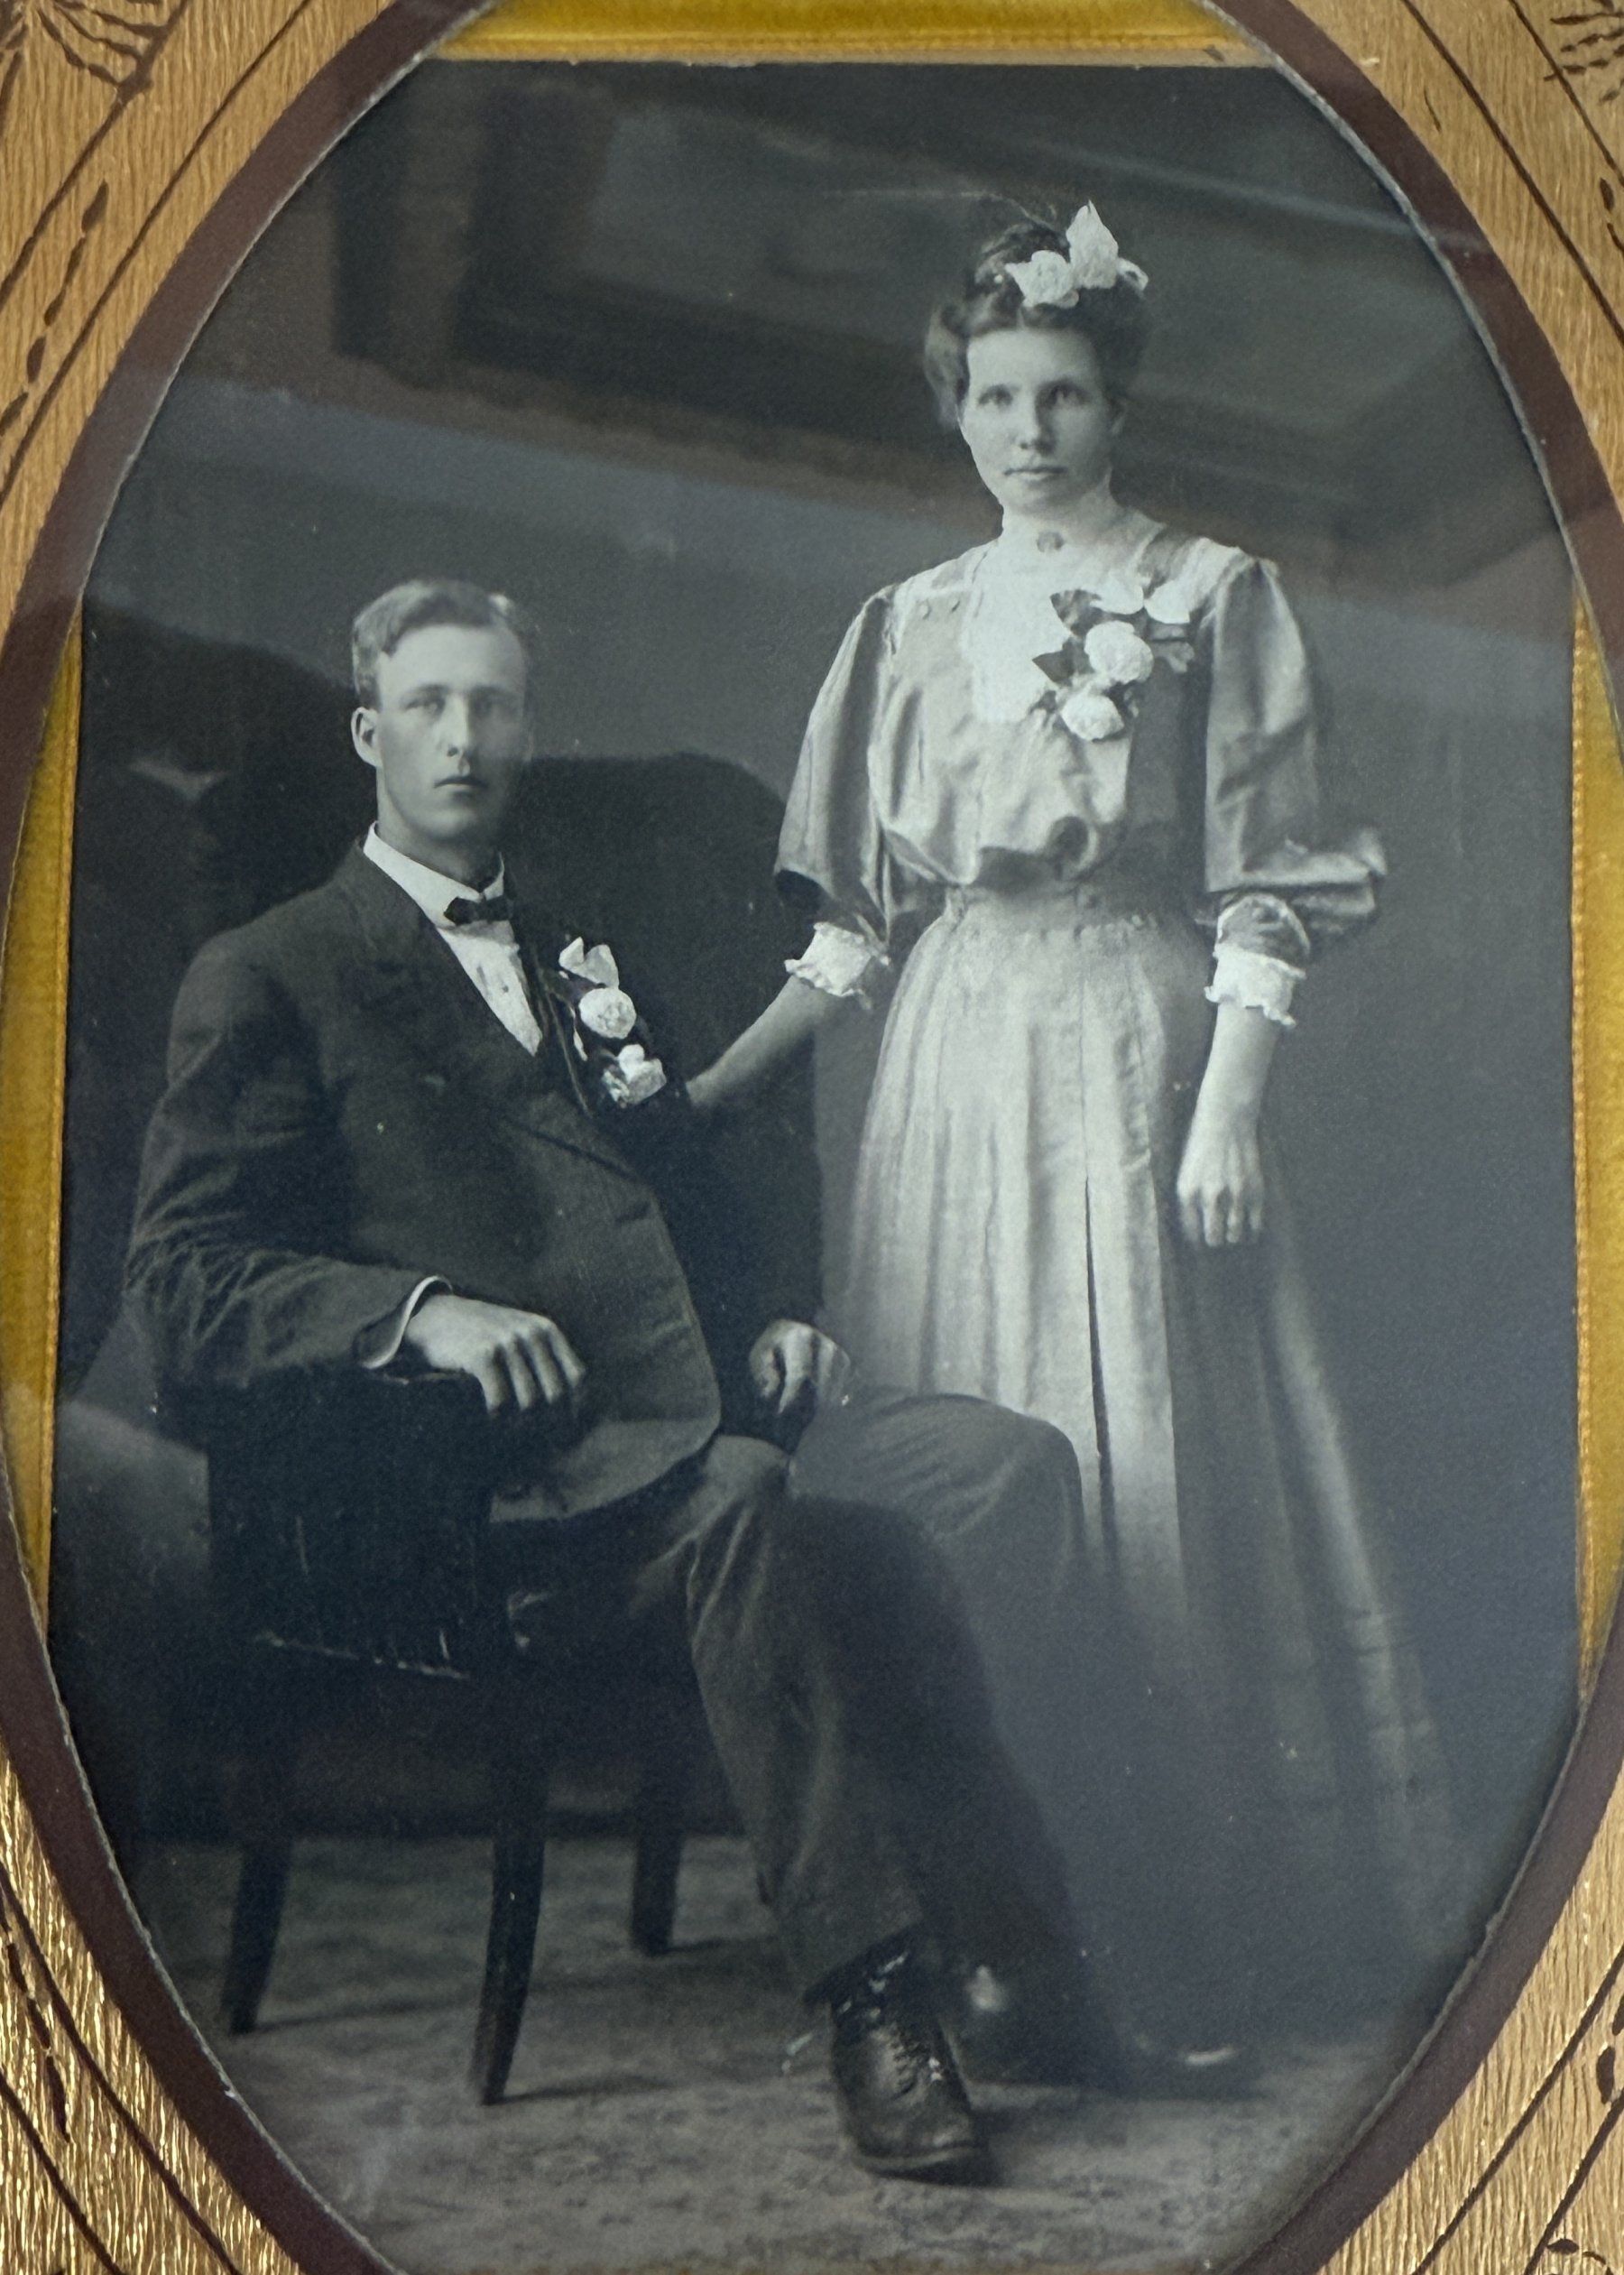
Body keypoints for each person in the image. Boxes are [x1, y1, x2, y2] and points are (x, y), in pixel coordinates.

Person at [125, 577, 1093, 2181]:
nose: (463, 736)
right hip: (497, 1480)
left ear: (526, 731)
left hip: (699, 1400)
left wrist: (776, 1309)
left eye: (492, 705)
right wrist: (418, 1312)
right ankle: (877, 1999)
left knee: (1006, 1465)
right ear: (369, 734)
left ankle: (1020, 1942)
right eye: (428, 705)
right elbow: (183, 1280)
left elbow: (674, 1182)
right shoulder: (274, 969)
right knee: (749, 1501)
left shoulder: (581, 946)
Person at [688, 208, 1463, 2076]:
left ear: (1119, 406)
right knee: (961, 1472)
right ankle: (983, 1916)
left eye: (1062, 396)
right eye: (995, 398)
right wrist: (696, 1098)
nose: (1028, 431)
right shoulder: (906, 626)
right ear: (956, 411)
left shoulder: (1211, 594)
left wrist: (1226, 1108)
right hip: (951, 1074)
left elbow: (1268, 886)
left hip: (1132, 1060)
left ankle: (1173, 1916)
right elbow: (855, 938)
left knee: (1149, 1469)